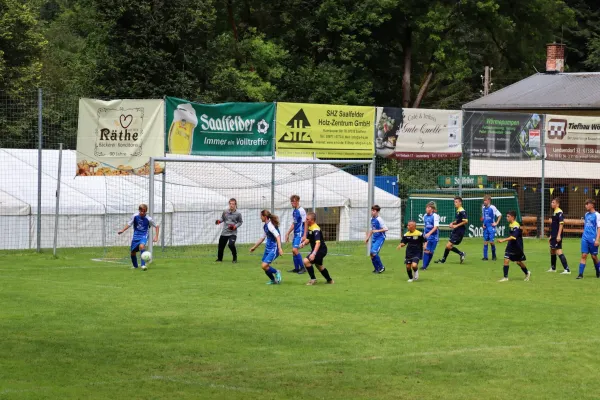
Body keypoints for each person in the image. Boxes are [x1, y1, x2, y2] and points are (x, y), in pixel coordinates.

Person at [117, 204, 159, 270]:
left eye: (144, 211)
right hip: (136, 236)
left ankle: (143, 265)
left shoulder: (149, 219)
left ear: (146, 211)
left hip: (144, 235)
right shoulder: (135, 216)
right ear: (139, 210)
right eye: (141, 211)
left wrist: (156, 237)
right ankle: (135, 266)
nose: (142, 213)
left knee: (142, 246)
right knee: (133, 252)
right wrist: (122, 230)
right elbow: (129, 224)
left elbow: (157, 226)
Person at [250, 210, 284, 285]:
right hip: (268, 248)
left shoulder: (270, 225)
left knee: (264, 265)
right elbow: (262, 238)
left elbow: (278, 236)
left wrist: (280, 248)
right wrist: (254, 247)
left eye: (261, 216)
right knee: (264, 266)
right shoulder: (266, 226)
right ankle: (273, 280)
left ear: (265, 217)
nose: (260, 217)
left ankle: (276, 272)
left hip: (274, 248)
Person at [301, 212, 334, 285]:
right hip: (318, 250)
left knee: (306, 261)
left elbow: (318, 243)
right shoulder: (311, 227)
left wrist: (313, 253)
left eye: (307, 219)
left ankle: (313, 279)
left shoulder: (316, 229)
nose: (306, 220)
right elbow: (308, 239)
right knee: (319, 266)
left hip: (321, 250)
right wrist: (303, 243)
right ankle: (330, 280)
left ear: (312, 220)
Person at [497, 210, 531, 282]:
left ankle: (527, 273)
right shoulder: (510, 224)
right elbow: (511, 237)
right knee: (506, 259)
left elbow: (513, 237)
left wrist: (503, 240)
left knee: (518, 262)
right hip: (511, 245)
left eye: (508, 216)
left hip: (517, 246)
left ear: (512, 217)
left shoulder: (516, 225)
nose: (507, 218)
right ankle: (505, 277)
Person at [435, 196, 467, 264]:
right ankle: (443, 260)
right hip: (456, 230)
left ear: (460, 203)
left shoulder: (462, 211)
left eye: (456, 202)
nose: (455, 203)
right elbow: (458, 220)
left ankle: (461, 253)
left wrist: (456, 225)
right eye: (454, 202)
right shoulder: (458, 210)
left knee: (448, 245)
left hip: (459, 231)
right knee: (448, 245)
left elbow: (465, 221)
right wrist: (452, 223)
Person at [576, 199, 600, 279]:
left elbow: (599, 228)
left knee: (594, 256)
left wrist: (597, 239)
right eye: (585, 204)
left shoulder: (597, 215)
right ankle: (580, 274)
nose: (585, 205)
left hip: (593, 238)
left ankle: (598, 271)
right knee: (584, 255)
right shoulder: (586, 214)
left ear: (592, 205)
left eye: (587, 204)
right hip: (585, 238)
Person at [547, 197, 570, 274]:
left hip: (557, 235)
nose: (551, 204)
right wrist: (551, 235)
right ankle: (553, 268)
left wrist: (558, 235)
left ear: (557, 204)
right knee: (552, 250)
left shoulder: (559, 212)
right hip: (553, 235)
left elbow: (561, 224)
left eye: (553, 202)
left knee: (558, 251)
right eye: (551, 202)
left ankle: (567, 269)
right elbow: (554, 226)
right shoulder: (554, 212)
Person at [285, 194, 307, 274]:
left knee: (295, 249)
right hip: (296, 233)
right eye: (291, 202)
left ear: (298, 201)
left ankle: (303, 268)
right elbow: (294, 223)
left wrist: (304, 235)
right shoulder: (294, 211)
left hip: (300, 233)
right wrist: (287, 233)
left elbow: (305, 223)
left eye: (293, 201)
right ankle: (296, 268)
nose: (292, 203)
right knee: (293, 251)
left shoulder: (301, 210)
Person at [215, 198, 243, 263]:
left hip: (233, 233)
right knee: (221, 246)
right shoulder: (225, 211)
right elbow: (223, 218)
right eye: (230, 204)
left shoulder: (238, 213)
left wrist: (234, 226)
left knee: (231, 244)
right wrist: (219, 221)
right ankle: (219, 259)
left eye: (233, 204)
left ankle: (234, 258)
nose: (231, 205)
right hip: (224, 232)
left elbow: (240, 222)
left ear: (235, 205)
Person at [365, 205, 388, 273]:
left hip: (380, 238)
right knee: (371, 254)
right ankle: (376, 269)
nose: (372, 212)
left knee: (373, 252)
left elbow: (386, 228)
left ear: (377, 212)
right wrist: (367, 238)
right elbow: (372, 230)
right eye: (372, 210)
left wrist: (377, 231)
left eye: (374, 211)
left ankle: (381, 267)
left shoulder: (379, 219)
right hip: (374, 238)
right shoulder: (371, 219)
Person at [481, 195, 502, 261]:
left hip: (491, 227)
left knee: (491, 242)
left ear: (489, 201)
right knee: (485, 241)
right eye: (484, 200)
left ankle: (494, 255)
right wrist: (483, 224)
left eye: (485, 200)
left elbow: (499, 215)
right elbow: (483, 217)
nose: (484, 202)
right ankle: (485, 257)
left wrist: (496, 223)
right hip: (485, 227)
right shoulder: (483, 207)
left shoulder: (492, 207)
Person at [422, 201, 440, 270]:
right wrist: (424, 235)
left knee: (431, 251)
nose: (427, 209)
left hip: (434, 236)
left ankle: (426, 265)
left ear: (432, 209)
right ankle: (424, 266)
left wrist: (430, 233)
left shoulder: (435, 216)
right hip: (427, 236)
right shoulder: (425, 216)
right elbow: (425, 226)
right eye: (426, 207)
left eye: (429, 207)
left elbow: (436, 227)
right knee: (426, 250)